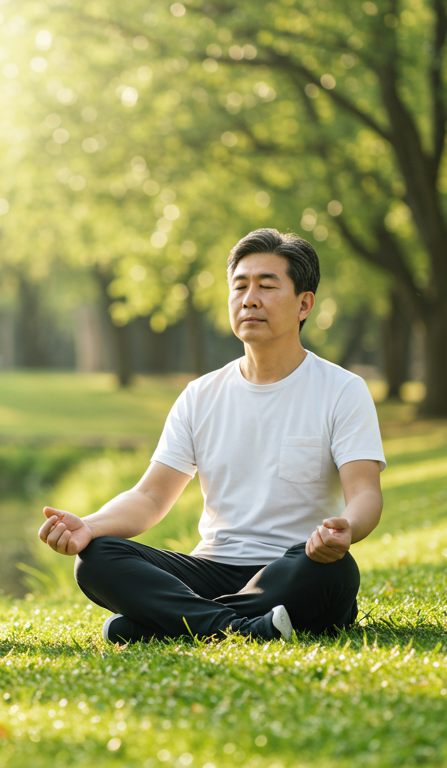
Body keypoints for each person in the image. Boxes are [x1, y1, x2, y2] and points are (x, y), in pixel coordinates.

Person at [38, 229, 385, 643]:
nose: (249, 298)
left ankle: (164, 624)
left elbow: (365, 493)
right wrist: (89, 526)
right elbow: (150, 497)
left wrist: (346, 528)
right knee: (96, 558)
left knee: (336, 571)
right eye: (239, 286)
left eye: (267, 286)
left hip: (295, 563)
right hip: (211, 570)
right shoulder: (200, 395)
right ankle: (240, 627)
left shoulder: (342, 389)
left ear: (303, 304)